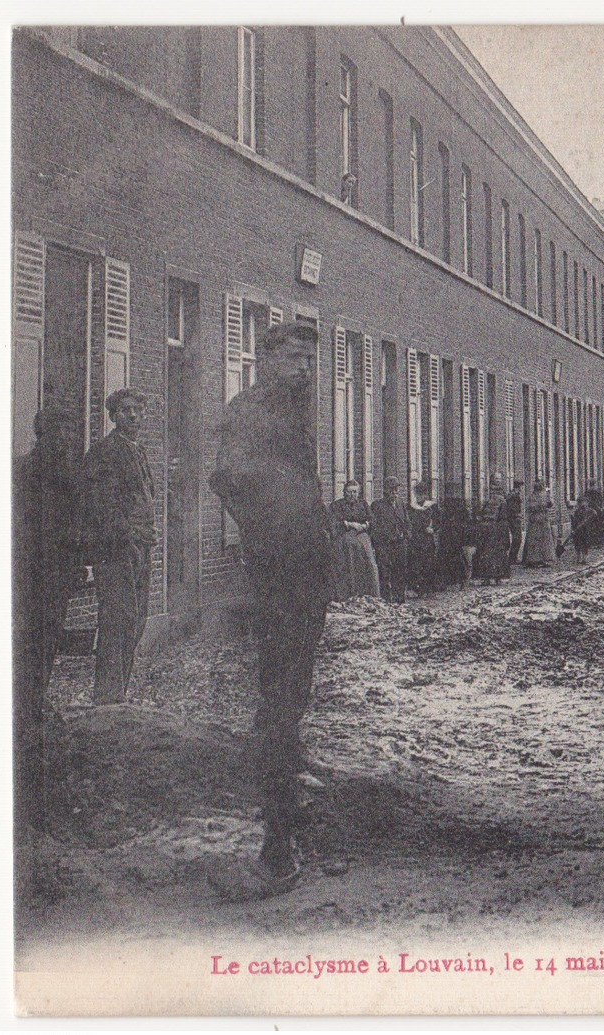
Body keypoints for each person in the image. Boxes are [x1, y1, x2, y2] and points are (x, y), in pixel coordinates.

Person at [209, 320, 335, 894]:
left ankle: (287, 788)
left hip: (305, 565)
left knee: (294, 683)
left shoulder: (295, 410)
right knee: (281, 691)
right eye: (293, 358)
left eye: (311, 359)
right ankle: (276, 848)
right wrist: (267, 533)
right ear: (264, 358)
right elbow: (226, 479)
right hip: (281, 566)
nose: (306, 369)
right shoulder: (251, 412)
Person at [14, 407, 85, 830]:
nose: (65, 438)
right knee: (31, 639)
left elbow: (76, 523)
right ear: (44, 434)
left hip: (58, 570)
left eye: (69, 431)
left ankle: (36, 700)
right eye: (59, 431)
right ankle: (27, 705)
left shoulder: (69, 473)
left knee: (49, 637)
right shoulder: (25, 472)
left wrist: (77, 561)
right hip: (30, 570)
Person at [82, 387, 157, 705]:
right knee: (118, 619)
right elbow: (99, 504)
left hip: (141, 545)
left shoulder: (137, 451)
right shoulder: (104, 452)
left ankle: (119, 694)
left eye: (139, 410)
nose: (134, 416)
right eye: (126, 410)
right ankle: (108, 697)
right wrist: (124, 536)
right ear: (113, 416)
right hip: (116, 550)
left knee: (136, 620)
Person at [328, 481, 381, 601]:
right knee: (347, 566)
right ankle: (346, 596)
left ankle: (367, 595)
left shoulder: (363, 504)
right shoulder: (336, 505)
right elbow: (332, 523)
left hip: (362, 541)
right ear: (344, 492)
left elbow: (373, 520)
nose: (352, 495)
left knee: (368, 565)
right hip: (344, 542)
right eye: (349, 492)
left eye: (355, 492)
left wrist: (365, 526)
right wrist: (348, 524)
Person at [369, 477, 410, 604]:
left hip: (400, 544)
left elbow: (406, 522)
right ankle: (386, 599)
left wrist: (406, 534)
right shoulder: (377, 505)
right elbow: (374, 526)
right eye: (391, 490)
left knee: (400, 571)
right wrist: (381, 541)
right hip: (385, 545)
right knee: (385, 573)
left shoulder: (400, 504)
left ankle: (399, 599)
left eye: (396, 490)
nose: (394, 492)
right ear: (385, 491)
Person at [436, 491, 473, 590]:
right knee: (453, 560)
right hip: (451, 540)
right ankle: (456, 581)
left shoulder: (452, 512)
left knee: (452, 560)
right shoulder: (456, 512)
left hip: (451, 540)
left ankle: (452, 582)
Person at [406, 482, 438, 595]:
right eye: (418, 494)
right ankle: (417, 587)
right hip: (416, 538)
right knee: (416, 562)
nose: (420, 497)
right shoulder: (411, 507)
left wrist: (433, 529)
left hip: (427, 538)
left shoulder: (432, 507)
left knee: (428, 562)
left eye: (422, 494)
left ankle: (428, 588)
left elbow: (439, 522)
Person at [523, 478, 556, 567]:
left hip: (535, 519)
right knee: (543, 539)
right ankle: (544, 559)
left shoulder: (532, 496)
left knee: (536, 539)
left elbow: (529, 507)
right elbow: (550, 504)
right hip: (541, 519)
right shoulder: (544, 495)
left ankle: (535, 559)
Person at [504, 479, 527, 565]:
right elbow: (511, 508)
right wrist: (517, 514)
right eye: (521, 487)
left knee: (517, 538)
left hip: (514, 518)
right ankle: (512, 558)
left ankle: (513, 557)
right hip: (514, 519)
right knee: (518, 538)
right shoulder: (514, 495)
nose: (521, 489)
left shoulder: (513, 494)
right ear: (519, 487)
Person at [571, 495, 599, 564]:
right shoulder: (577, 512)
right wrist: (573, 528)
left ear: (587, 503)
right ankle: (578, 557)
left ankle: (584, 558)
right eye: (580, 503)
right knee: (577, 544)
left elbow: (595, 515)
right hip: (578, 530)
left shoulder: (590, 511)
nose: (582, 504)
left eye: (584, 502)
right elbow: (574, 521)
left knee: (585, 544)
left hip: (586, 530)